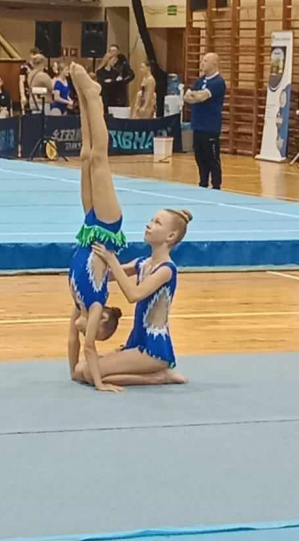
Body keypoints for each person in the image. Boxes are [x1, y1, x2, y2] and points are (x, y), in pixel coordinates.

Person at [74, 208, 192, 388]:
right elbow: (107, 276)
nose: (149, 225)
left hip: (153, 349)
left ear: (171, 236)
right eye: (151, 220)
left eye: (157, 223)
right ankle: (145, 370)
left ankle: (159, 377)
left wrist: (111, 260)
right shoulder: (143, 263)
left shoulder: (166, 270)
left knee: (90, 373)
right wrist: (86, 264)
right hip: (136, 342)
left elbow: (134, 294)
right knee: (80, 369)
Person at [66, 62, 126, 393]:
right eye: (93, 329)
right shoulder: (96, 305)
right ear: (101, 319)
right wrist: (100, 383)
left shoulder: (78, 303)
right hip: (107, 226)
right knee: (100, 159)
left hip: (90, 225)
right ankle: (94, 97)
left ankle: (82, 95)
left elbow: (74, 343)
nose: (82, 329)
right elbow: (88, 348)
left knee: (86, 156)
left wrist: (72, 373)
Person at [184, 52, 226, 191]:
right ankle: (203, 183)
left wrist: (194, 95)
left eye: (206, 61)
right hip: (198, 125)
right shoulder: (200, 81)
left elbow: (202, 97)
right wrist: (195, 96)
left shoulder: (218, 82)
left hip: (210, 126)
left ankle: (216, 185)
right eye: (202, 61)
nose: (202, 63)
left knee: (212, 158)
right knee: (200, 157)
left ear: (214, 64)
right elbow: (187, 97)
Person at [96, 44, 134, 111]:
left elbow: (118, 82)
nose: (112, 52)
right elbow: (102, 82)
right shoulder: (100, 72)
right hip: (104, 97)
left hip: (115, 97)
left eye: (114, 50)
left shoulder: (118, 69)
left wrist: (118, 81)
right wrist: (111, 81)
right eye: (110, 50)